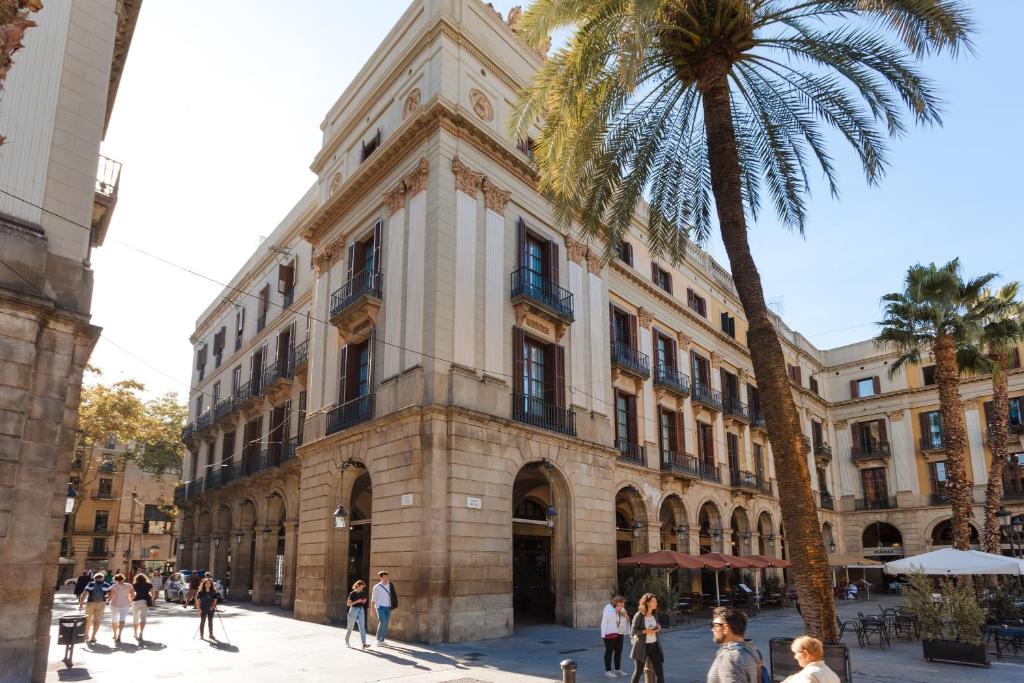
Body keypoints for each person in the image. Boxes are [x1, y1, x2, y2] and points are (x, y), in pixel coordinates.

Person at [706, 607, 760, 683]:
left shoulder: (730, 657)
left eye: (714, 625)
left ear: (725, 628)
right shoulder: (752, 650)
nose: (712, 629)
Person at [628, 593, 664, 683]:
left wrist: (658, 628)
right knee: (638, 672)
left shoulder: (655, 615)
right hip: (641, 647)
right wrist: (645, 631)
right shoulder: (639, 615)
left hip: (654, 646)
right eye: (653, 601)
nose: (656, 603)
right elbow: (633, 632)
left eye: (656, 601)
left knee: (660, 672)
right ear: (647, 603)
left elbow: (655, 629)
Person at [600, 595, 629, 677]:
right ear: (616, 602)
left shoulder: (622, 609)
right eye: (620, 604)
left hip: (619, 632)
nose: (622, 606)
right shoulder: (608, 608)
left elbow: (627, 619)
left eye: (623, 604)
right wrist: (616, 612)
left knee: (618, 651)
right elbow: (607, 619)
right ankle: (608, 671)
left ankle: (617, 669)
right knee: (609, 652)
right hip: (609, 633)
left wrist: (625, 615)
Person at [78, 572, 110, 644]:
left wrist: (81, 604)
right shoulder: (106, 585)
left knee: (88, 620)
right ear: (103, 578)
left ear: (94, 578)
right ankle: (93, 636)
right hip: (101, 604)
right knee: (97, 621)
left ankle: (86, 635)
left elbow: (84, 594)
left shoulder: (91, 584)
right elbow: (110, 594)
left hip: (90, 603)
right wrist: (107, 599)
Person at [371, 570, 397, 645]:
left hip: (388, 607)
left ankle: (382, 640)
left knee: (386, 624)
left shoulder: (390, 585)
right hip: (380, 607)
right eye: (384, 577)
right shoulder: (377, 587)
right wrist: (372, 610)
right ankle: (377, 639)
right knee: (383, 622)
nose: (386, 578)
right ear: (381, 578)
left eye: (387, 577)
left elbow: (393, 595)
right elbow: (373, 599)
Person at [107, 573, 132, 643]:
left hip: (114, 604)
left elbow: (110, 596)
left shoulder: (113, 586)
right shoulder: (129, 585)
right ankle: (119, 634)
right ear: (123, 579)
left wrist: (108, 599)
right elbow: (132, 595)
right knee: (122, 620)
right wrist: (130, 601)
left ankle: (115, 634)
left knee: (114, 620)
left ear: (115, 579)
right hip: (125, 604)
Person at [346, 580, 370, 648]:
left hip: (361, 610)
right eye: (361, 586)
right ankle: (347, 641)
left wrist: (364, 600)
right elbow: (348, 604)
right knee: (350, 627)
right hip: (353, 610)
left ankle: (364, 644)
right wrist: (357, 601)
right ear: (358, 586)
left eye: (363, 587)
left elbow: (365, 599)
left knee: (362, 627)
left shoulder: (363, 593)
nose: (362, 588)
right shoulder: (352, 593)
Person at [130, 572, 154, 642]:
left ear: (136, 579)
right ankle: (141, 633)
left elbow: (132, 595)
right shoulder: (149, 585)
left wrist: (131, 600)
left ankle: (135, 633)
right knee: (143, 618)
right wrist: (151, 598)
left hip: (136, 602)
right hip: (144, 602)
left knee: (135, 617)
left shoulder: (134, 585)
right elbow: (153, 593)